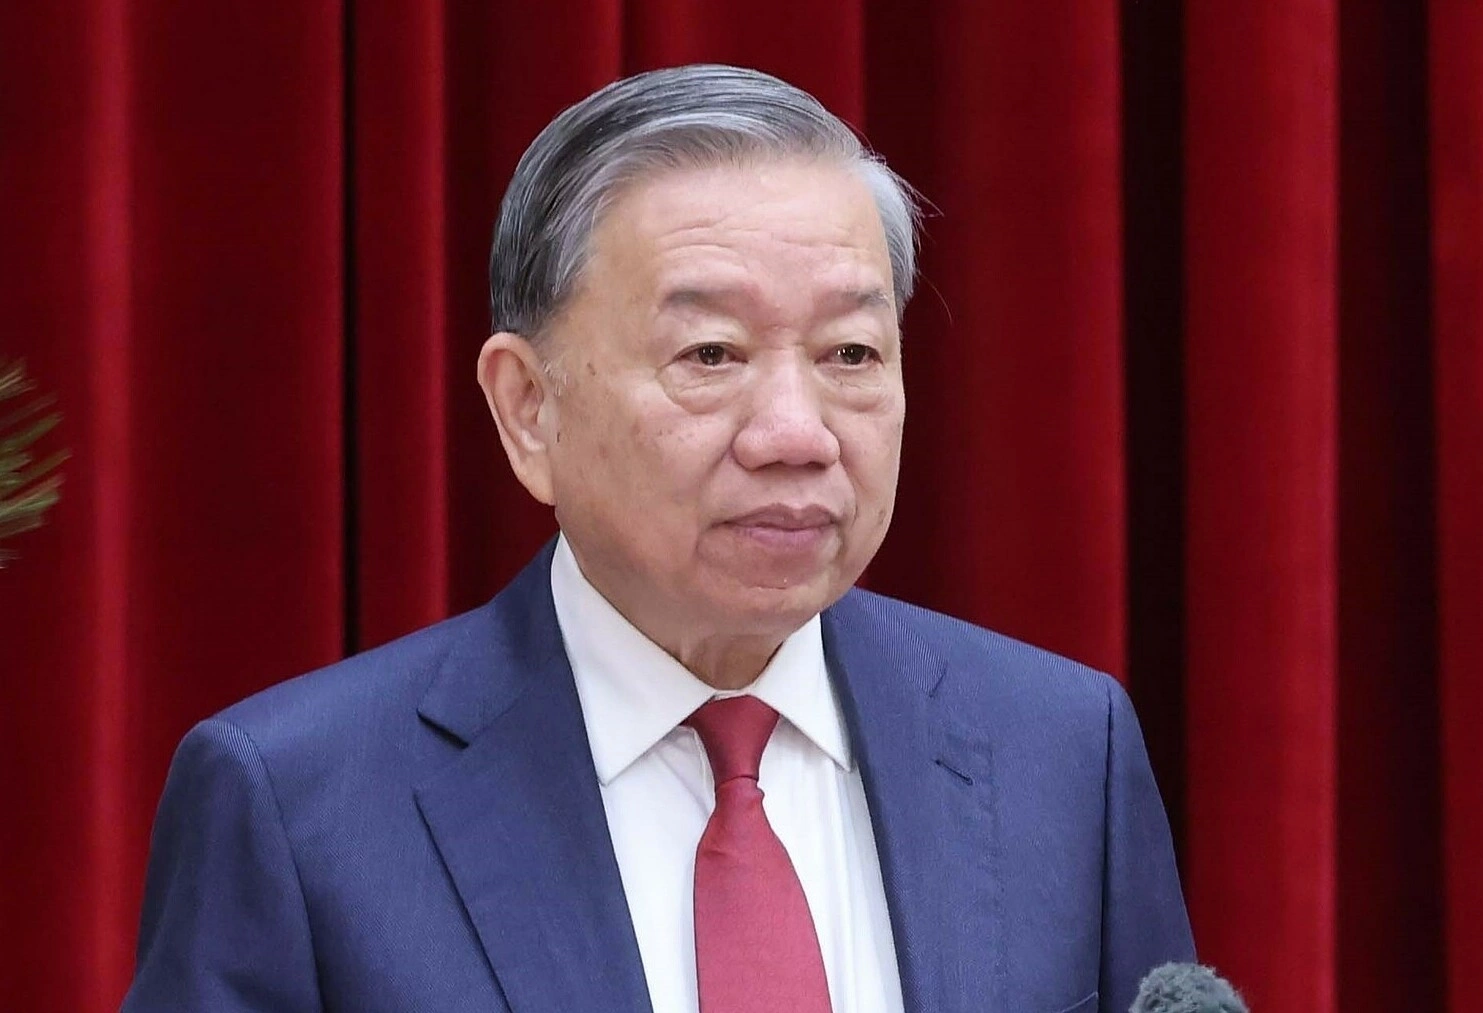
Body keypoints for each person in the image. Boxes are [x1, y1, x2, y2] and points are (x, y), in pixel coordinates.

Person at [123, 64, 1194, 1013]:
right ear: (528, 407)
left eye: (851, 353)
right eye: (711, 354)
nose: (797, 433)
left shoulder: (1061, 749)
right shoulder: (299, 806)